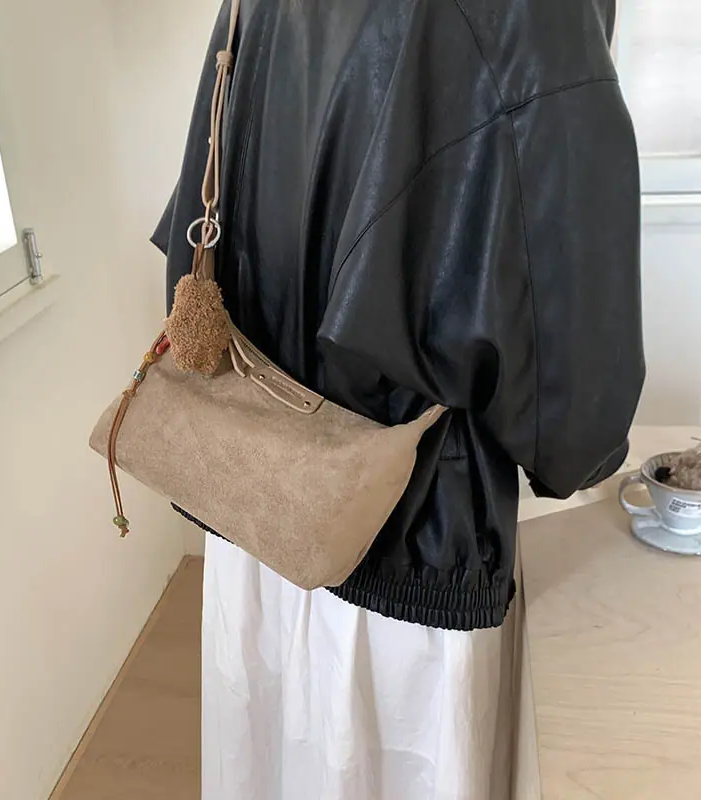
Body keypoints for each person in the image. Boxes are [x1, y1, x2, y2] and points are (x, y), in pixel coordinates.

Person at [152, 0, 644, 797]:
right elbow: (570, 401)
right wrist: (582, 460)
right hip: (409, 543)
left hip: (258, 517)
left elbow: (203, 216)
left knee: (268, 761)